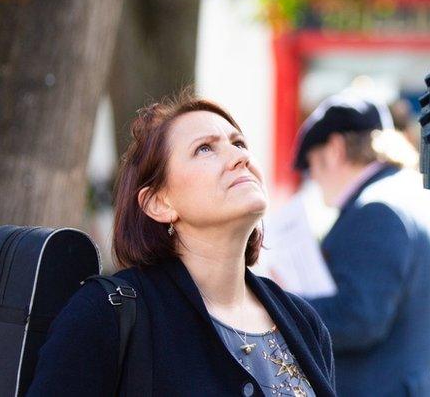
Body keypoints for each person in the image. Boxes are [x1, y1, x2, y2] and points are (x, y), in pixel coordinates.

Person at [28, 93, 336, 396]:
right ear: (159, 203)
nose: (240, 157)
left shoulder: (303, 322)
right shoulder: (104, 314)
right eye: (204, 149)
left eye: (239, 143)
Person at [288, 91, 430, 396]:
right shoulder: (411, 193)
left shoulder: (376, 210)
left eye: (312, 165)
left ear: (335, 149)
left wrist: (283, 304)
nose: (314, 178)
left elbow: (358, 319)